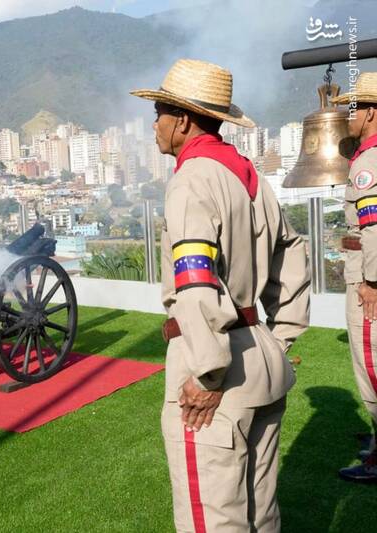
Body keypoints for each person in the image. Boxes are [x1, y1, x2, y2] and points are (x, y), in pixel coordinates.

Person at [130, 59, 310, 531]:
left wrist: (208, 374)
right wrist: (282, 336)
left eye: (158, 113)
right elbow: (293, 251)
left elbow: (195, 283)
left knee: (213, 521)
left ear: (183, 120)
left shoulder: (192, 180)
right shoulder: (250, 176)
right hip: (262, 360)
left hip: (217, 371)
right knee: (261, 514)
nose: (154, 124)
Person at [331, 72, 377, 483]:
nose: (348, 115)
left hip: (367, 281)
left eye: (353, 108)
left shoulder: (367, 164)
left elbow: (373, 228)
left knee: (372, 369)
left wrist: (371, 283)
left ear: (371, 113)